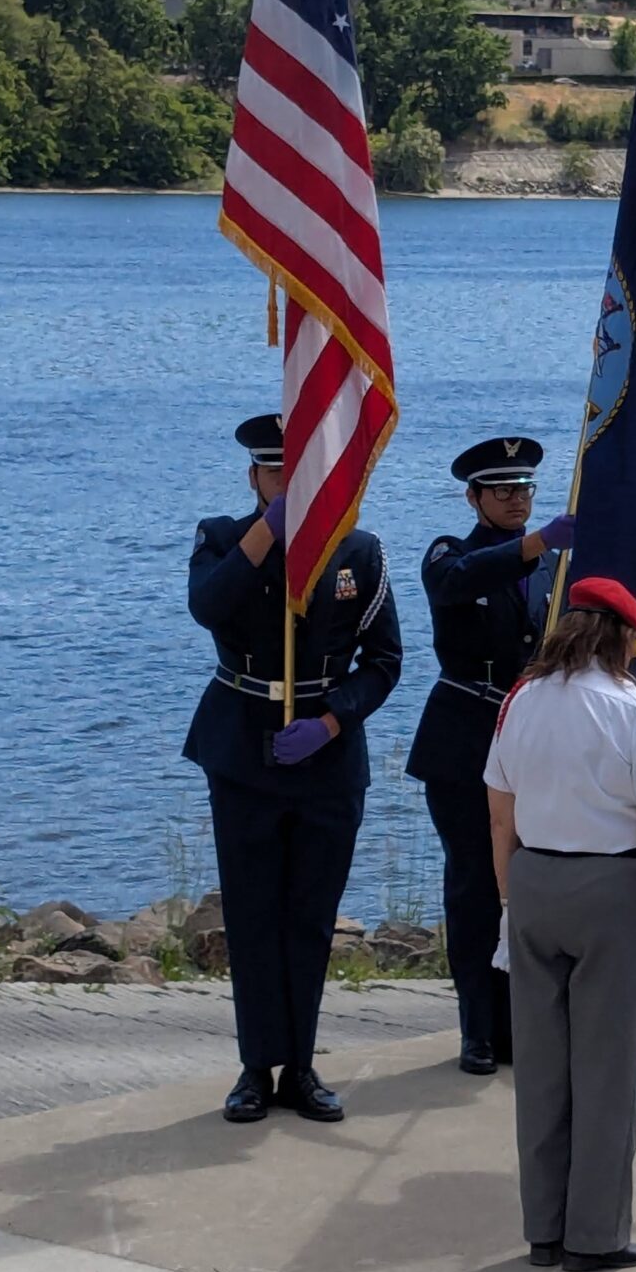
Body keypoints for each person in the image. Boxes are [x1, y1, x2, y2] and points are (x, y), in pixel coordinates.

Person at [185, 412, 402, 1126]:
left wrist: (334, 719)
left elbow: (385, 661)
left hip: (325, 752)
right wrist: (267, 532)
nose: (289, 483)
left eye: (301, 472)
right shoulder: (221, 537)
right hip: (244, 745)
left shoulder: (359, 552)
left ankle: (302, 1065)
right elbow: (207, 607)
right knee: (252, 915)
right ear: (255, 477)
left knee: (310, 916)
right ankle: (255, 1067)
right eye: (276, 472)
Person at [484, 577, 636, 1272]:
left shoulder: (522, 701)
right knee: (606, 1075)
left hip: (535, 882)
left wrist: (510, 902)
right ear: (622, 639)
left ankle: (542, 1231)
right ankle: (594, 1236)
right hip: (612, 889)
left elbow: (499, 815)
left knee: (541, 1072)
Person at [405, 437, 574, 1076]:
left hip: (534, 736)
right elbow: (456, 585)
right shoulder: (453, 553)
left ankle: (523, 1022)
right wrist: (537, 545)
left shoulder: (556, 566)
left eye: (525, 490)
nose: (516, 501)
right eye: (501, 491)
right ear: (473, 497)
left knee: (532, 886)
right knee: (476, 885)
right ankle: (477, 1027)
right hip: (466, 735)